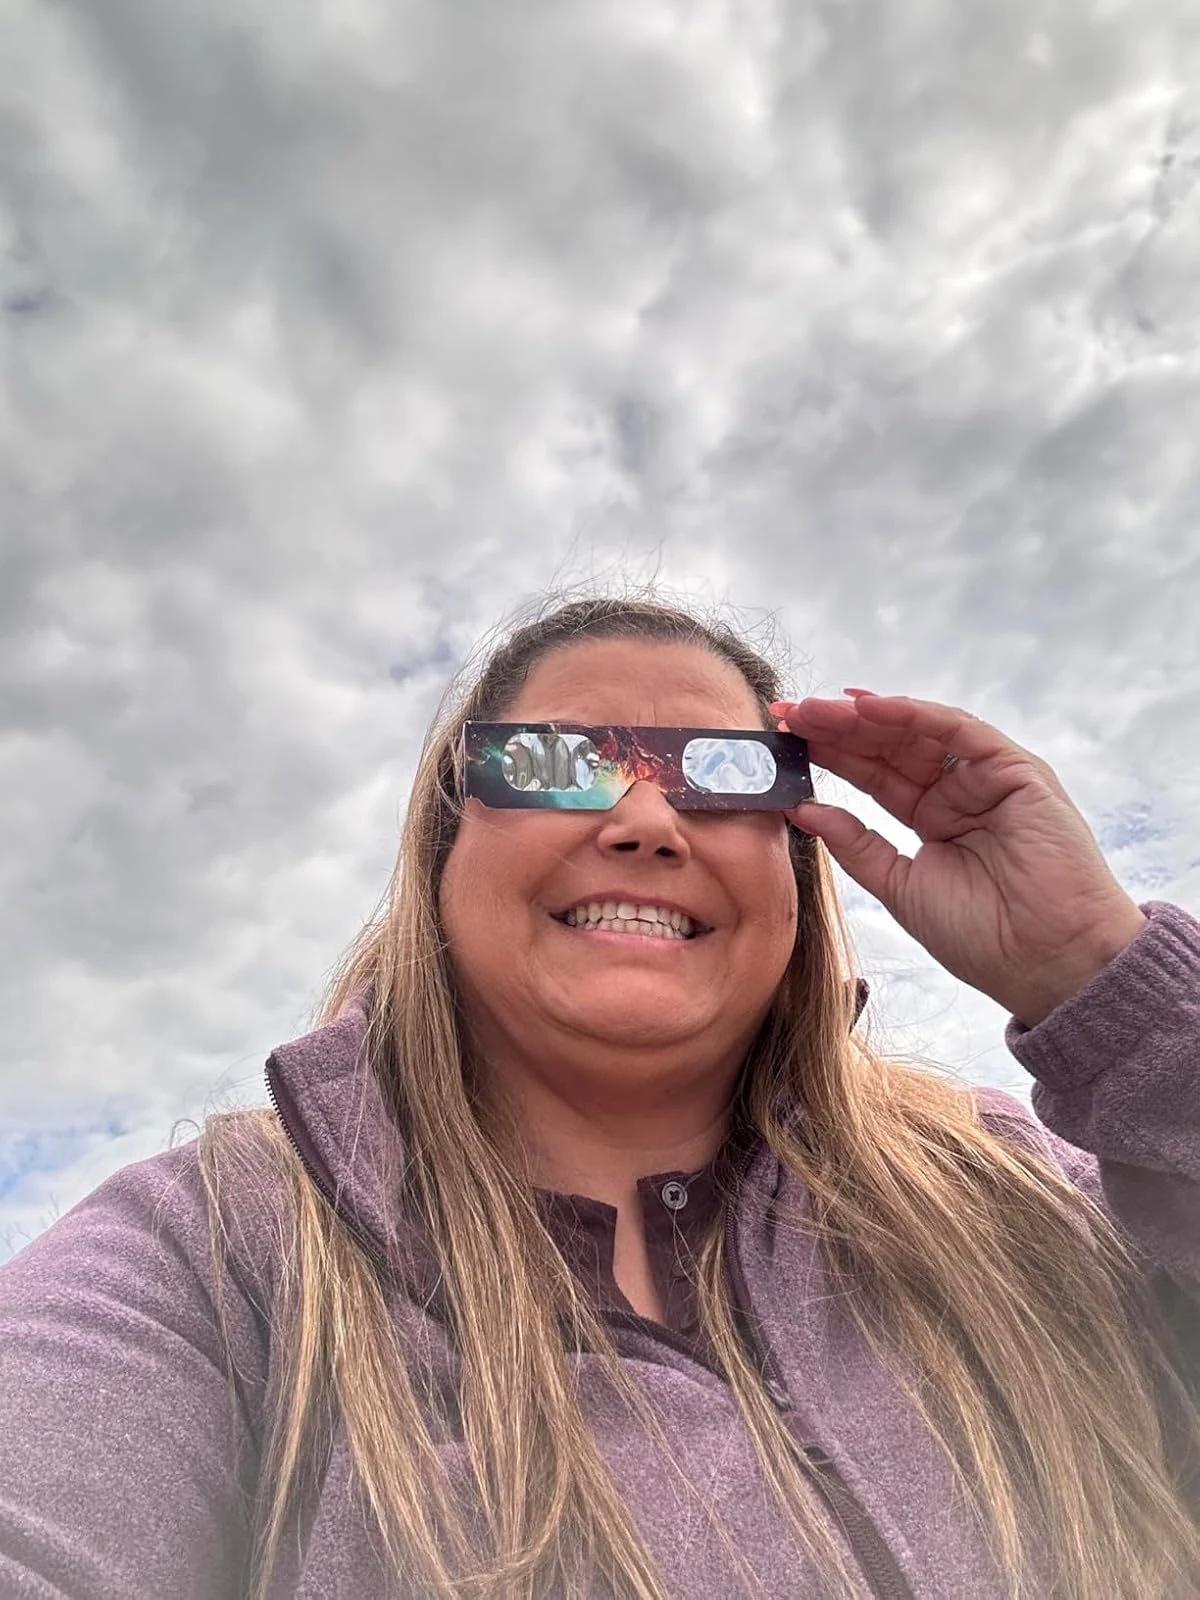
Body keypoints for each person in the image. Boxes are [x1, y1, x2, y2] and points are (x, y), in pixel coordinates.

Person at [1, 595, 1197, 1600]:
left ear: (797, 859)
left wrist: (1103, 979)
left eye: (724, 776)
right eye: (555, 766)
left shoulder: (1022, 1190)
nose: (641, 821)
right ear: (441, 853)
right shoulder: (210, 1255)